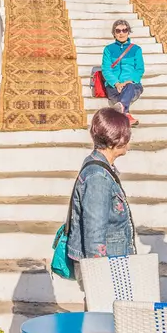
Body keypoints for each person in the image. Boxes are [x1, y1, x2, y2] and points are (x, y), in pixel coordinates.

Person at [66, 108, 135, 260]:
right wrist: (98, 274)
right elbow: (94, 231)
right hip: (106, 265)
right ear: (116, 139)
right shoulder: (98, 177)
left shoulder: (101, 167)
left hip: (112, 259)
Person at [101, 20, 144, 124]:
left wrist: (129, 81)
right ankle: (126, 114)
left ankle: (122, 111)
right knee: (125, 89)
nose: (121, 33)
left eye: (124, 30)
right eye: (118, 31)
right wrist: (117, 83)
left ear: (128, 32)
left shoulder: (136, 49)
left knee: (129, 87)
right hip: (114, 87)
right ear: (114, 33)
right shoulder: (108, 49)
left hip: (132, 85)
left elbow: (139, 69)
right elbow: (106, 69)